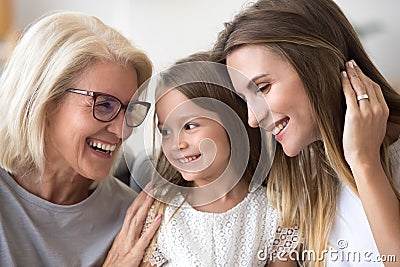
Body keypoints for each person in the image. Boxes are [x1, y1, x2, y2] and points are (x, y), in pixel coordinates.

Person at [212, 0, 400, 266]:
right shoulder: (305, 175)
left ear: (316, 66)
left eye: (263, 88)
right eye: (245, 100)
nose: (253, 119)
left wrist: (364, 162)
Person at [0, 11, 161, 266]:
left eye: (129, 110)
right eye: (104, 105)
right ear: (44, 101)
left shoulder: (131, 219)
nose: (122, 131)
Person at [138, 52, 298, 266]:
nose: (177, 144)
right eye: (166, 131)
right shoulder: (160, 212)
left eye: (190, 126)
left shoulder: (276, 212)